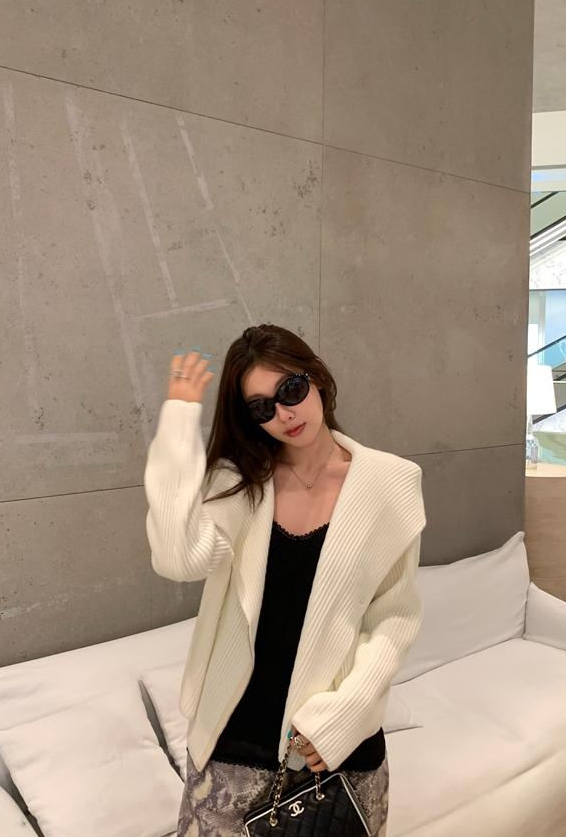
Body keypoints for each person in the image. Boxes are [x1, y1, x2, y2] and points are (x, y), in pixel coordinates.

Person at [144, 323, 427, 836]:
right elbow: (178, 557)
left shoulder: (391, 481)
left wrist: (343, 716)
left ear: (317, 379)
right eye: (262, 407)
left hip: (331, 747)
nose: (284, 414)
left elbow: (395, 616)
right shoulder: (238, 483)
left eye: (291, 390)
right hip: (232, 740)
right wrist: (179, 422)